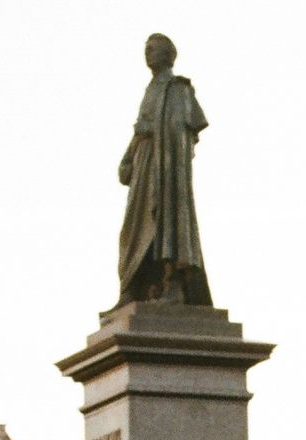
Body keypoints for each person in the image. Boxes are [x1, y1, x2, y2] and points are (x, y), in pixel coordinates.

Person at [116, 33, 212, 307]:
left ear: (169, 55)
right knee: (132, 230)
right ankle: (133, 288)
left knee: (167, 220)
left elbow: (180, 134)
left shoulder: (178, 88)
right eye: (145, 48)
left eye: (153, 48)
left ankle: (173, 284)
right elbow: (140, 129)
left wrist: (155, 142)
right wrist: (127, 158)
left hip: (166, 171)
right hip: (144, 166)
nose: (147, 53)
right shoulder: (151, 89)